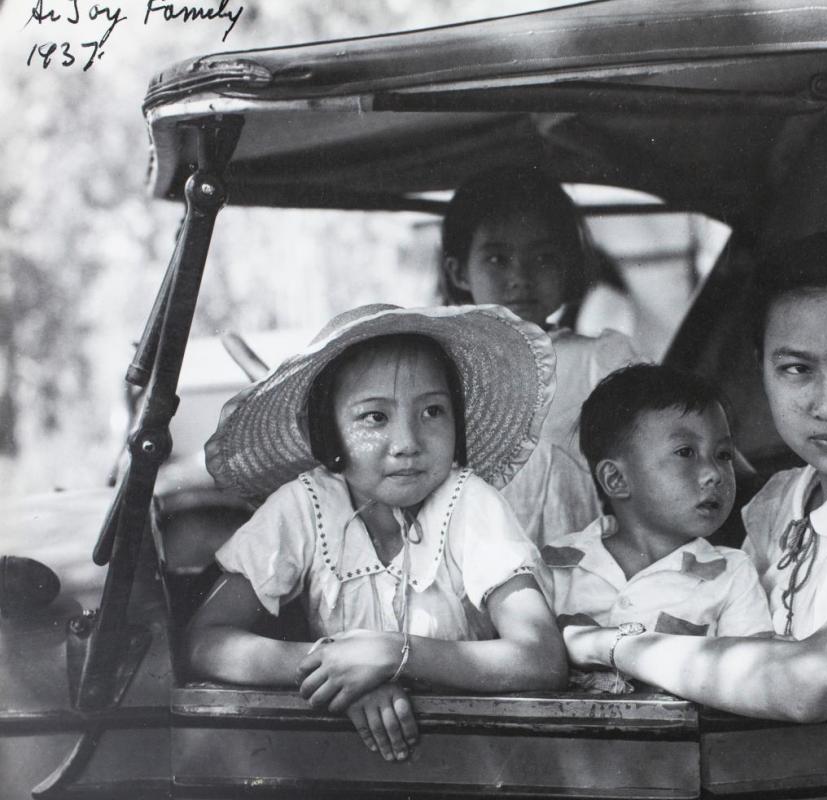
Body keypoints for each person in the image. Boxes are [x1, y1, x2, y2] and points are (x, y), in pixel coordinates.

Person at [562, 231, 827, 722]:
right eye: (796, 369)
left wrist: (613, 646)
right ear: (762, 370)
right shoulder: (785, 496)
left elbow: (811, 684)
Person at [190, 303, 567, 762]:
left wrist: (394, 654)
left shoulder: (470, 503)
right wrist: (338, 671)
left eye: (432, 410)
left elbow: (541, 658)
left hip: (478, 758)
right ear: (329, 435)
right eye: (374, 417)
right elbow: (207, 639)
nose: (408, 442)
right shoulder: (303, 505)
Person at [440, 166, 642, 544]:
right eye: (497, 259)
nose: (521, 276)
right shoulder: (439, 370)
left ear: (568, 265)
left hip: (579, 569)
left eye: (543, 257)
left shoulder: (602, 362)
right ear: (459, 272)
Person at [542, 365, 773, 691]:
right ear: (616, 479)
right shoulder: (556, 565)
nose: (714, 473)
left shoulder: (732, 574)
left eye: (723, 455)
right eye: (685, 453)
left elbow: (755, 675)